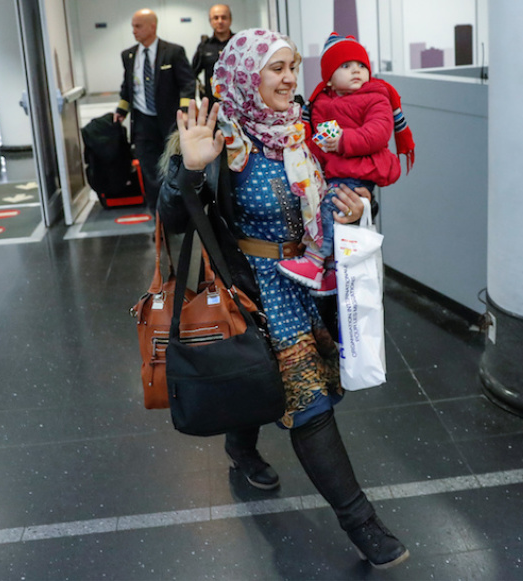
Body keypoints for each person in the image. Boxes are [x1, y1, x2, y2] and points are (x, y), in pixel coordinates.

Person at [157, 29, 410, 570]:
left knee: (253, 380)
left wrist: (354, 204)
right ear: (247, 76)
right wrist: (191, 167)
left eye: (292, 66)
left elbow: (349, 183)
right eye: (275, 69)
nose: (290, 78)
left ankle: (240, 446)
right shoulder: (218, 133)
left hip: (312, 277)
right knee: (310, 404)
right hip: (254, 285)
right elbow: (174, 218)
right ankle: (361, 523)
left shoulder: (307, 128)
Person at [276, 32, 415, 293]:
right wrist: (316, 158)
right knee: (328, 213)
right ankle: (330, 271)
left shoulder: (375, 96)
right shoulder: (322, 103)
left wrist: (343, 141)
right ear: (329, 77)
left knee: (328, 211)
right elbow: (318, 140)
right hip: (335, 172)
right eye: (346, 66)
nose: (356, 71)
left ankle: (315, 261)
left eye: (362, 65)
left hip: (356, 171)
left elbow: (379, 132)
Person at [113, 9, 195, 211]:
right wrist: (121, 111)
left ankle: (177, 211)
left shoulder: (173, 52)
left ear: (152, 26)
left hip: (169, 121)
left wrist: (184, 109)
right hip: (142, 123)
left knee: (173, 168)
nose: (134, 31)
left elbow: (188, 83)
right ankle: (158, 217)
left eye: (138, 26)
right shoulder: (129, 55)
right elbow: (128, 87)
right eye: (132, 26)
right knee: (150, 172)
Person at [191, 4, 234, 105]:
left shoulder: (240, 44)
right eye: (216, 18)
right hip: (212, 103)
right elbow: (192, 74)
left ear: (230, 20)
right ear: (210, 21)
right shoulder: (204, 46)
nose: (220, 21)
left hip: (237, 104)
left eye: (224, 17)